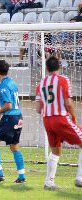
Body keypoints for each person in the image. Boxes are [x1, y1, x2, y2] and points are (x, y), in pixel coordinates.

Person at [35, 56, 82, 189]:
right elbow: (68, 102)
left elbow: (38, 109)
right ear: (59, 67)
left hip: (47, 120)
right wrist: (74, 117)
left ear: (47, 68)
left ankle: (49, 183)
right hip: (60, 118)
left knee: (55, 151)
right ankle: (80, 178)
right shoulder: (63, 80)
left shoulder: (40, 84)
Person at [0, 60, 26, 183]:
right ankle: (22, 176)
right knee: (14, 147)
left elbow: (8, 105)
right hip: (18, 117)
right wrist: (0, 114)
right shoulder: (12, 82)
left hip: (10, 118)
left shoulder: (3, 85)